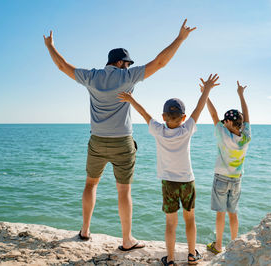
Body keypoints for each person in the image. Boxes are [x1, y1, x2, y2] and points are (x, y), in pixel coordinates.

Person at [43, 19, 196, 251]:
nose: (128, 66)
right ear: (120, 62)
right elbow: (160, 62)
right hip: (122, 142)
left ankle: (84, 230)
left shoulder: (92, 77)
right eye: (127, 63)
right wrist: (180, 39)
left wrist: (50, 46)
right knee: (123, 190)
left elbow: (62, 66)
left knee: (90, 185)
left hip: (97, 140)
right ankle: (126, 240)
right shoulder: (127, 77)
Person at [118, 74, 220, 265]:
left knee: (170, 222)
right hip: (187, 181)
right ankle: (191, 255)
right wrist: (207, 89)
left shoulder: (158, 130)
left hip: (168, 183)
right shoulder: (187, 128)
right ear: (183, 117)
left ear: (163, 116)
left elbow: (144, 113)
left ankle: (171, 259)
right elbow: (199, 108)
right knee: (190, 219)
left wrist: (131, 99)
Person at [204, 81, 252, 254]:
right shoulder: (246, 137)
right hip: (237, 180)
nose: (223, 122)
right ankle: (233, 246)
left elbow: (212, 113)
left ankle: (218, 246)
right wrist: (241, 94)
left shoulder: (223, 133)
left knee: (220, 213)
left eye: (225, 121)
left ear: (230, 123)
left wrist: (206, 94)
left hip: (221, 179)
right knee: (233, 213)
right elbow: (246, 117)